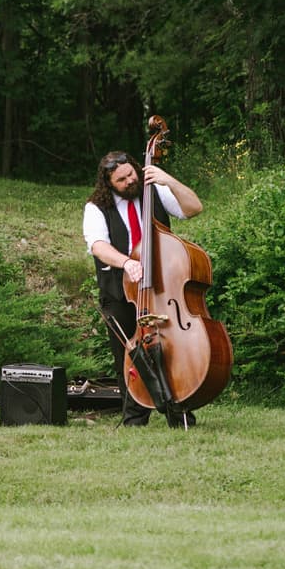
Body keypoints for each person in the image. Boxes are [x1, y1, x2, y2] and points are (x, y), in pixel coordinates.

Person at [82, 151, 203, 428]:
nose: (130, 181)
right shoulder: (96, 207)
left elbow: (194, 208)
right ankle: (134, 418)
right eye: (121, 180)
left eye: (131, 174)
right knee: (130, 353)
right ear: (109, 183)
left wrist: (168, 180)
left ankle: (179, 411)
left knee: (171, 349)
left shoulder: (156, 190)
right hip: (120, 291)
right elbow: (98, 245)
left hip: (162, 287)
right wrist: (126, 263)